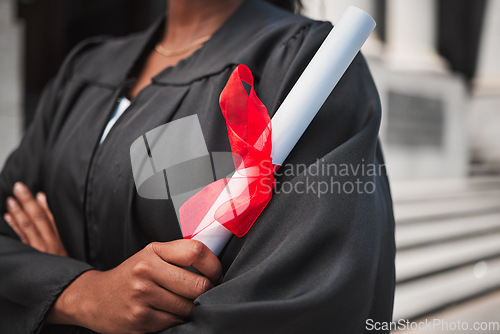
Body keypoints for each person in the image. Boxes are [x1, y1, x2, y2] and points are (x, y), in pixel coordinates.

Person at [0, 0, 396, 333]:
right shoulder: (84, 70)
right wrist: (80, 294)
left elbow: (304, 301)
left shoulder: (306, 66)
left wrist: (43, 292)